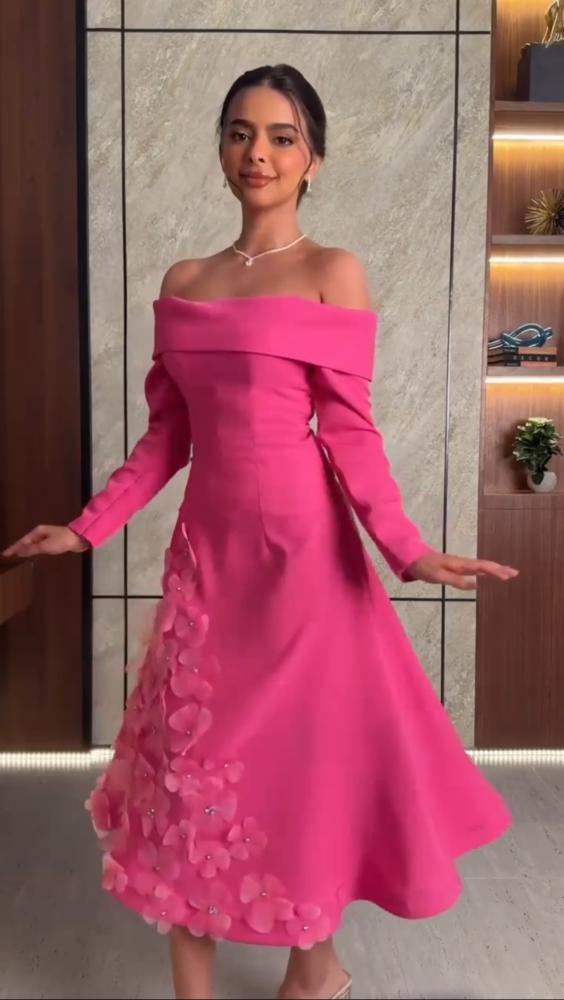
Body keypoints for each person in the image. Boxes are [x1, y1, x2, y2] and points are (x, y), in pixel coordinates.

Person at [3, 64, 518, 1000]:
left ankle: (311, 970)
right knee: (188, 771)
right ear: (221, 148)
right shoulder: (186, 281)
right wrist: (84, 530)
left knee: (296, 772)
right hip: (210, 568)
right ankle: (256, 981)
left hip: (307, 566)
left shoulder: (333, 273)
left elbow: (352, 435)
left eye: (283, 137)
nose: (259, 153)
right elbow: (168, 438)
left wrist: (407, 549)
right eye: (241, 133)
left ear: (313, 158)